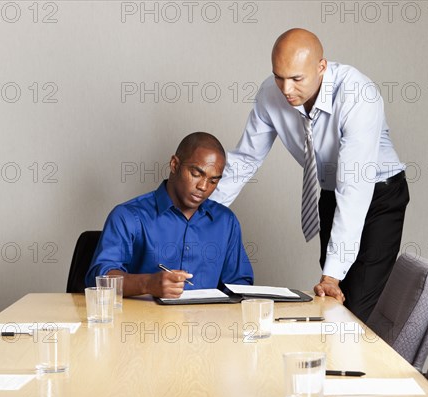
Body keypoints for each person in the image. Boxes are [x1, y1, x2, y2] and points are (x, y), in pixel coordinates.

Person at [210, 28, 409, 322]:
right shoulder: (270, 94)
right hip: (329, 192)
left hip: (380, 194)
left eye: (296, 79)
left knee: (353, 308)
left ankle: (354, 366)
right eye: (279, 76)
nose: (286, 89)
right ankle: (327, 366)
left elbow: (354, 188)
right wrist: (202, 212)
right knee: (329, 303)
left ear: (321, 67)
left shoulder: (358, 95)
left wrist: (331, 276)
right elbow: (244, 160)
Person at [86, 132, 254, 298]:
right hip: (143, 322)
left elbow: (239, 286)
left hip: (206, 323)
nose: (203, 186)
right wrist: (148, 284)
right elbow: (99, 280)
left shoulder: (226, 222)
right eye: (196, 174)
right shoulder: (128, 216)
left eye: (213, 181)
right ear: (174, 164)